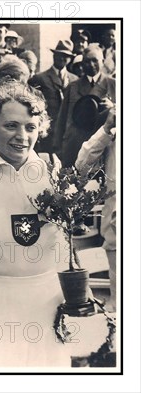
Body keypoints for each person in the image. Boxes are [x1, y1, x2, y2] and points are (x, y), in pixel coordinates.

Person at [0, 84, 71, 367]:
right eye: (11, 125)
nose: (22, 137)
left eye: (30, 127)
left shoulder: (52, 173)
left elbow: (65, 247)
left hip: (46, 302)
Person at [76, 108, 117, 311]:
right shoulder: (113, 135)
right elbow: (82, 164)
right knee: (118, 305)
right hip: (117, 232)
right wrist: (106, 129)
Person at [53, 45, 116, 167]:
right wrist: (58, 149)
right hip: (75, 147)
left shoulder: (114, 85)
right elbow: (62, 118)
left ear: (102, 61)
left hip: (103, 148)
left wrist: (113, 106)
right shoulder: (73, 86)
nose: (91, 64)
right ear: (82, 63)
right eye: (87, 61)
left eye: (95, 60)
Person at [28, 39, 78, 155]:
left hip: (68, 132)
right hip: (49, 132)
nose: (62, 58)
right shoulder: (40, 78)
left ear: (70, 59)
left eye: (66, 56)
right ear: (54, 55)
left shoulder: (75, 80)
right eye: (59, 55)